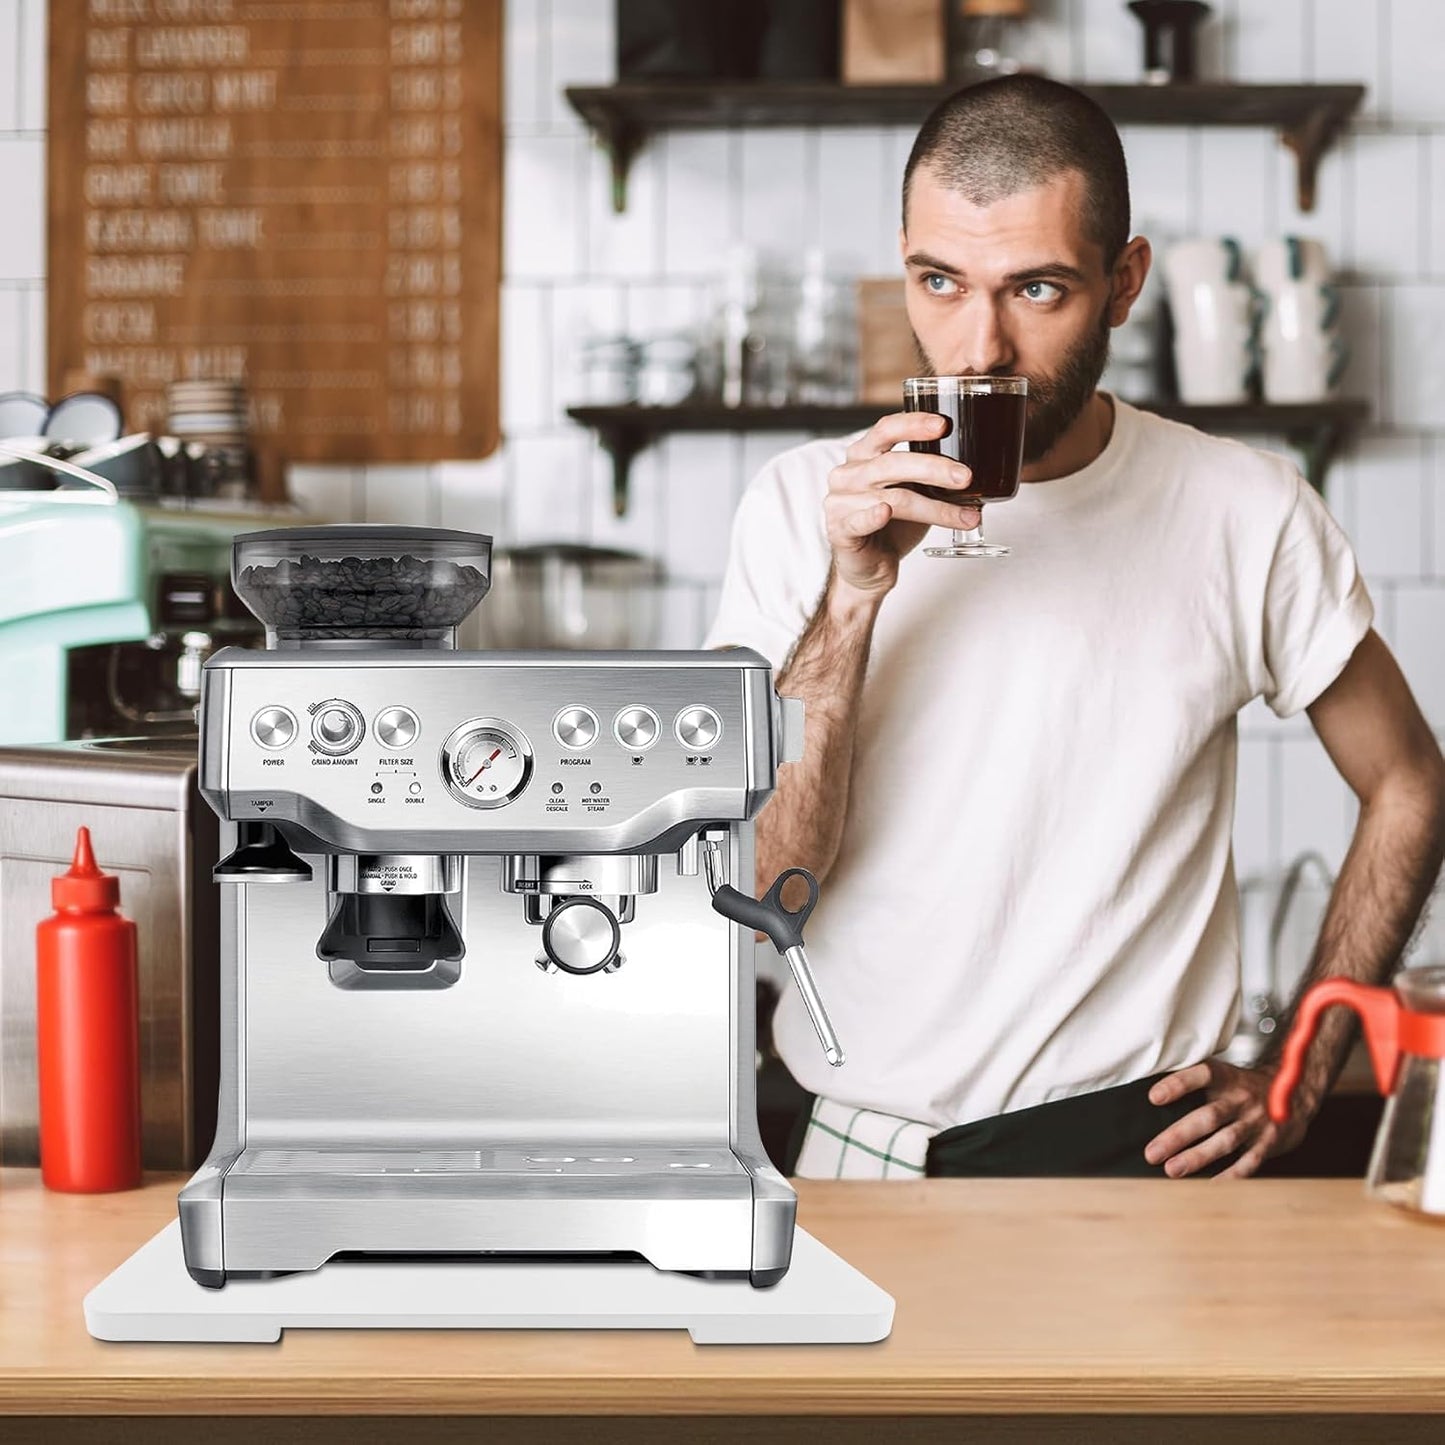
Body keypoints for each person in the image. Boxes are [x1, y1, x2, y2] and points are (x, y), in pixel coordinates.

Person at [703, 76, 1445, 1181]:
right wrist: (852, 595)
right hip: (856, 1151)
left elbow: (1408, 782)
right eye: (938, 282)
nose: (977, 346)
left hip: (1133, 1157)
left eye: (1035, 289)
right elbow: (768, 891)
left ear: (1122, 282)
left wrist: (1300, 1061)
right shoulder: (796, 505)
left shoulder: (1243, 509)